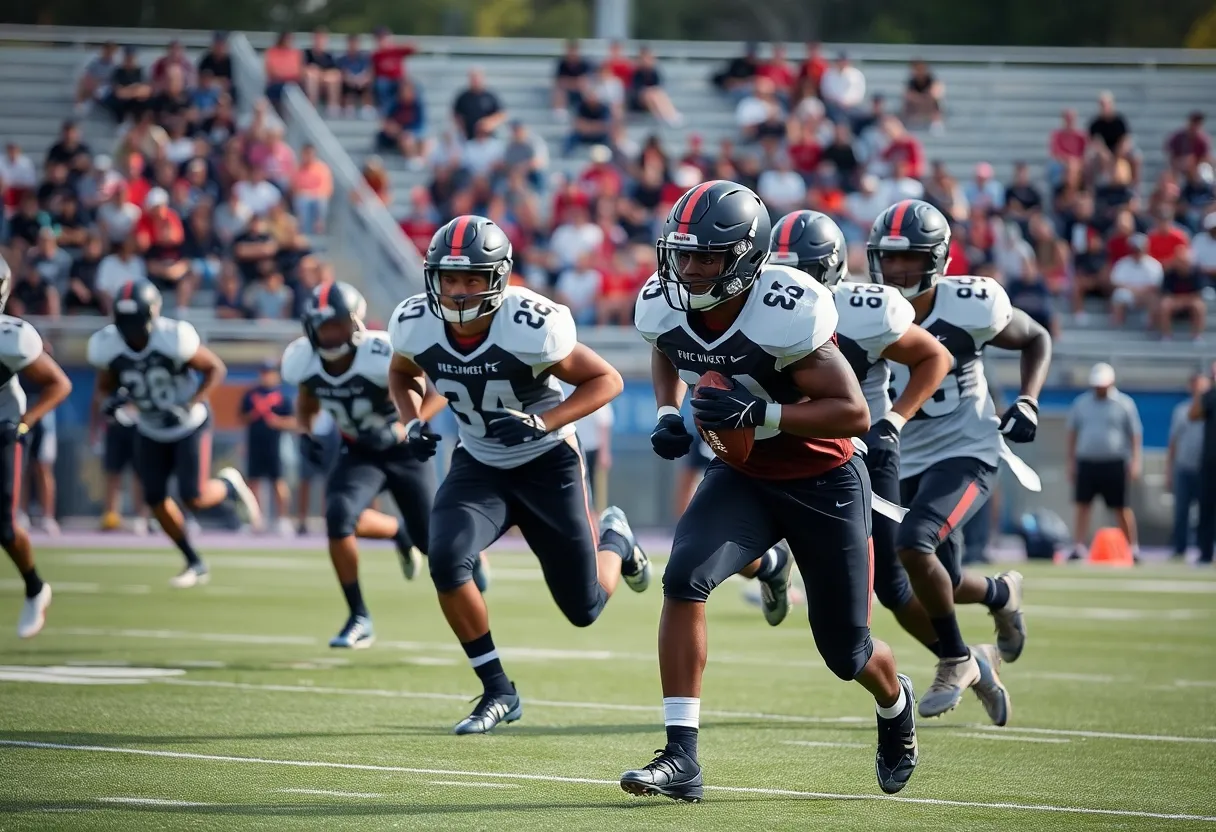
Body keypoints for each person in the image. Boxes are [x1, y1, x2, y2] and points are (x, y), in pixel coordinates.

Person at [620, 181, 918, 802]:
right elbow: (667, 349)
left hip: (824, 480)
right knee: (684, 577)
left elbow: (852, 412)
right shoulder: (666, 303)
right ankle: (682, 755)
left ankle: (895, 703)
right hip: (746, 477)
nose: (691, 268)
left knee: (847, 651)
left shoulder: (785, 308)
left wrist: (761, 416)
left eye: (708, 256)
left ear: (748, 258)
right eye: (684, 253)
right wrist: (668, 412)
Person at [388, 214, 651, 734]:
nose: (459, 293)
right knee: (445, 559)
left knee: (584, 608)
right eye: (450, 279)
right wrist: (411, 418)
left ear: (498, 279)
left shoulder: (530, 323)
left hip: (547, 462)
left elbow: (607, 379)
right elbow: (402, 373)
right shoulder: (415, 321)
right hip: (480, 462)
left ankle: (616, 539)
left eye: (472, 280)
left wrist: (543, 421)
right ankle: (497, 690)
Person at [763, 210, 1014, 724]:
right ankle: (969, 653)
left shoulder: (863, 308)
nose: (792, 285)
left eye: (804, 271)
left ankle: (959, 656)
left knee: (902, 574)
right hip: (810, 453)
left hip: (866, 459)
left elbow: (936, 358)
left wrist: (893, 421)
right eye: (781, 271)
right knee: (905, 583)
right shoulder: (763, 308)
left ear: (830, 271)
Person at [868, 199, 1049, 717]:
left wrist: (1029, 399)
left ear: (939, 259)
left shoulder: (972, 302)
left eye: (912, 257)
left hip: (967, 449)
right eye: (890, 258)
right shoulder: (864, 308)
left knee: (913, 542)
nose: (899, 269)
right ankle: (999, 594)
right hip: (901, 457)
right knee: (903, 584)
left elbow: (1036, 337)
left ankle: (954, 659)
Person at [281, 281, 460, 648]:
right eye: (323, 326)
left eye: (336, 325)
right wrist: (305, 432)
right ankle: (358, 615)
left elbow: (437, 392)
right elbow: (307, 399)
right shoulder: (303, 361)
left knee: (432, 545)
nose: (330, 334)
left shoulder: (381, 352)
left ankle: (421, 539)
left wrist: (405, 427)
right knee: (338, 515)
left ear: (354, 324)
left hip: (404, 450)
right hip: (359, 450)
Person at [86, 279, 262, 587]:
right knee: (155, 499)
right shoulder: (108, 345)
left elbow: (214, 368)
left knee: (192, 497)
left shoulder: (173, 337)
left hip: (187, 424)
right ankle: (193, 560)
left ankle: (228, 487)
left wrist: (191, 401)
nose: (131, 331)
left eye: (136, 322)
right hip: (150, 426)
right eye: (124, 322)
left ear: (151, 316)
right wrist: (113, 403)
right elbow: (106, 386)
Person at [0, 257, 72, 637]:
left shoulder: (10, 336)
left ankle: (34, 587)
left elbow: (59, 384)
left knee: (5, 529)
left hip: (2, 427)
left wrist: (25, 424)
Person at [1066, 362, 1143, 562]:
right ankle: (1079, 546)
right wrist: (1071, 461)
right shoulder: (1081, 403)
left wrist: (1135, 461)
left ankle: (1132, 548)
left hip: (1114, 462)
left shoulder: (1124, 403)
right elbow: (1072, 433)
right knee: (1083, 506)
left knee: (1121, 507)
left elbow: (1134, 434)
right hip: (1087, 461)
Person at [239, 359, 295, 535]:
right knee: (253, 483)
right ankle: (256, 520)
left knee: (278, 482)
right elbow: (241, 418)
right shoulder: (250, 395)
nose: (266, 376)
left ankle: (282, 520)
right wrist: (255, 413)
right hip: (255, 445)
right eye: (263, 373)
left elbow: (294, 421)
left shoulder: (282, 397)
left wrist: (278, 422)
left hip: (276, 446)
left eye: (269, 373)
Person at [1168, 372, 1208, 559]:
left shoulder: (1211, 409)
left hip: (1205, 468)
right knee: (1181, 511)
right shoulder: (1181, 410)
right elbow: (1173, 442)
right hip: (1184, 466)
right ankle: (1179, 548)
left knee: (1206, 511)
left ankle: (1204, 548)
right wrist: (1169, 470)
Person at [1187, 362, 1216, 566]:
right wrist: (1200, 392)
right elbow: (1194, 415)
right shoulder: (1209, 396)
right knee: (1206, 507)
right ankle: (1205, 553)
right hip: (1210, 461)